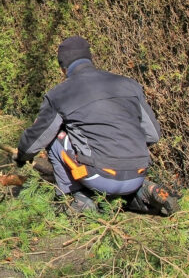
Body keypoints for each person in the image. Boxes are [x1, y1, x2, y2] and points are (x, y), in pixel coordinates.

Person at [14, 36, 179, 215]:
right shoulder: (128, 85)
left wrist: (22, 156)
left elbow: (36, 139)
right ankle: (140, 191)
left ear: (63, 69)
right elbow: (153, 134)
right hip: (138, 172)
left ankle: (76, 198)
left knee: (55, 137)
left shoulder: (60, 94)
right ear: (90, 59)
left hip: (99, 177)